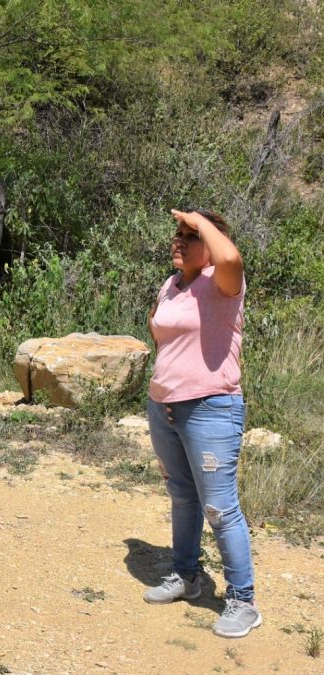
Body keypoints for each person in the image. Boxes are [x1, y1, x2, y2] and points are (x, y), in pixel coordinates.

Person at [143, 208, 259, 638]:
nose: (179, 242)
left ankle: (243, 600)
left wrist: (199, 219)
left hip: (211, 407)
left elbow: (231, 260)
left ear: (210, 246)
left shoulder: (222, 282)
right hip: (165, 406)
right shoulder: (172, 285)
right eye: (177, 235)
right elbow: (161, 333)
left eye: (189, 237)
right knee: (183, 495)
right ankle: (186, 575)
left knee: (220, 507)